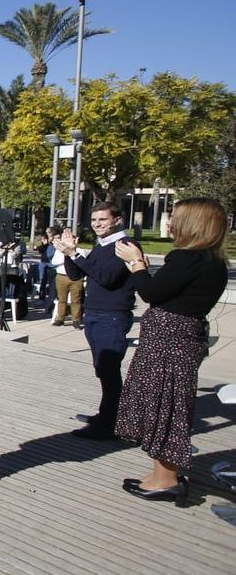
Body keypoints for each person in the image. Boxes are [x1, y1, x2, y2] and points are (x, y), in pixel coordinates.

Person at [113, 198, 228, 505]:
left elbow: (151, 292)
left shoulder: (188, 258)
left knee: (166, 406)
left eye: (176, 218)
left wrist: (136, 262)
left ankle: (166, 480)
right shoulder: (212, 260)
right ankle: (161, 474)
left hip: (169, 343)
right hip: (180, 339)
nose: (171, 223)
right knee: (166, 404)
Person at [53, 201, 139, 440]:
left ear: (117, 220)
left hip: (112, 315)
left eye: (102, 219)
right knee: (102, 369)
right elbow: (76, 274)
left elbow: (107, 277)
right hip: (95, 314)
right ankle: (107, 414)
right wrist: (69, 253)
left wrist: (75, 254)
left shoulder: (125, 245)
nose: (97, 224)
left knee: (110, 371)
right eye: (94, 220)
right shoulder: (103, 245)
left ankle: (110, 424)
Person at [50, 228, 85, 327]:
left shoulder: (80, 250)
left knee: (76, 300)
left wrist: (71, 254)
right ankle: (60, 318)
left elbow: (81, 263)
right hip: (61, 276)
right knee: (62, 299)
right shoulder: (59, 251)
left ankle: (76, 320)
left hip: (76, 278)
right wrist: (66, 256)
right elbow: (54, 262)